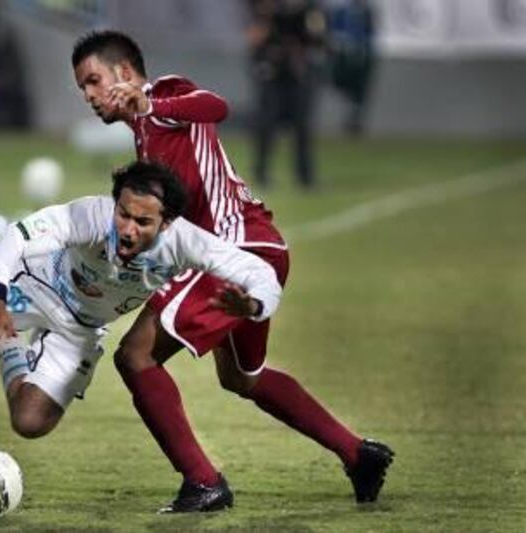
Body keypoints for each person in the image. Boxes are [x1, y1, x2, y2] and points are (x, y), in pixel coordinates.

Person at [72, 29, 393, 512]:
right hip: (253, 251)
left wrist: (148, 104)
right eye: (82, 88)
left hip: (238, 250)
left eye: (93, 81)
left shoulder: (167, 94)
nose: (90, 96)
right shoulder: (142, 135)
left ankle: (203, 482)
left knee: (136, 355)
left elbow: (216, 105)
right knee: (244, 379)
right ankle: (358, 453)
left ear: (123, 73)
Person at [0, 161, 282, 446]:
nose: (126, 228)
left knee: (30, 422)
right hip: (29, 285)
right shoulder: (89, 215)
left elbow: (259, 273)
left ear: (167, 223)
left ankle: (7, 346)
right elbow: (11, 241)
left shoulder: (188, 244)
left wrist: (254, 305)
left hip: (79, 329)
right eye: (123, 213)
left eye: (142, 221)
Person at [246, 0, 326, 189]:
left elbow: (318, 39)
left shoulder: (309, 10)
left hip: (296, 74)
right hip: (272, 74)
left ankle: (305, 176)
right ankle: (261, 172)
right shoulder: (266, 10)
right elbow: (254, 40)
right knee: (266, 125)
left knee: (302, 126)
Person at [328, 0, 376, 136]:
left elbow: (370, 33)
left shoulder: (367, 12)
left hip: (361, 55)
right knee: (342, 85)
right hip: (344, 55)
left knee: (360, 91)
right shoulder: (342, 11)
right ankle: (351, 114)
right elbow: (335, 31)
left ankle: (354, 122)